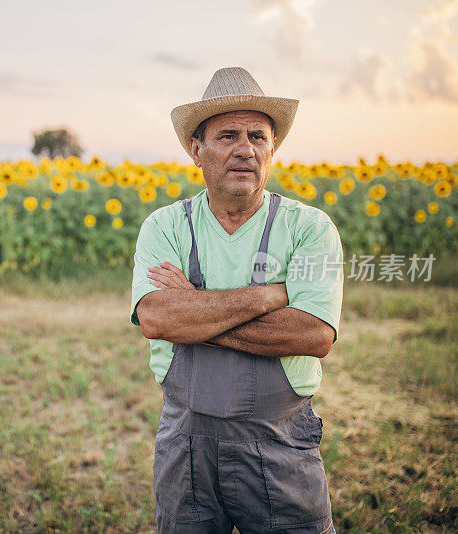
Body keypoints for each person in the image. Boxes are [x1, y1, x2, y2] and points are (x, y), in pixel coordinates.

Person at [131, 67, 343, 533]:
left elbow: (313, 333)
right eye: (227, 135)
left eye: (258, 136)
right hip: (186, 447)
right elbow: (157, 317)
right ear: (197, 150)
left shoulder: (310, 228)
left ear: (272, 150)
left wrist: (197, 312)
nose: (245, 149)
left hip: (280, 444)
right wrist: (271, 297)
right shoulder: (164, 226)